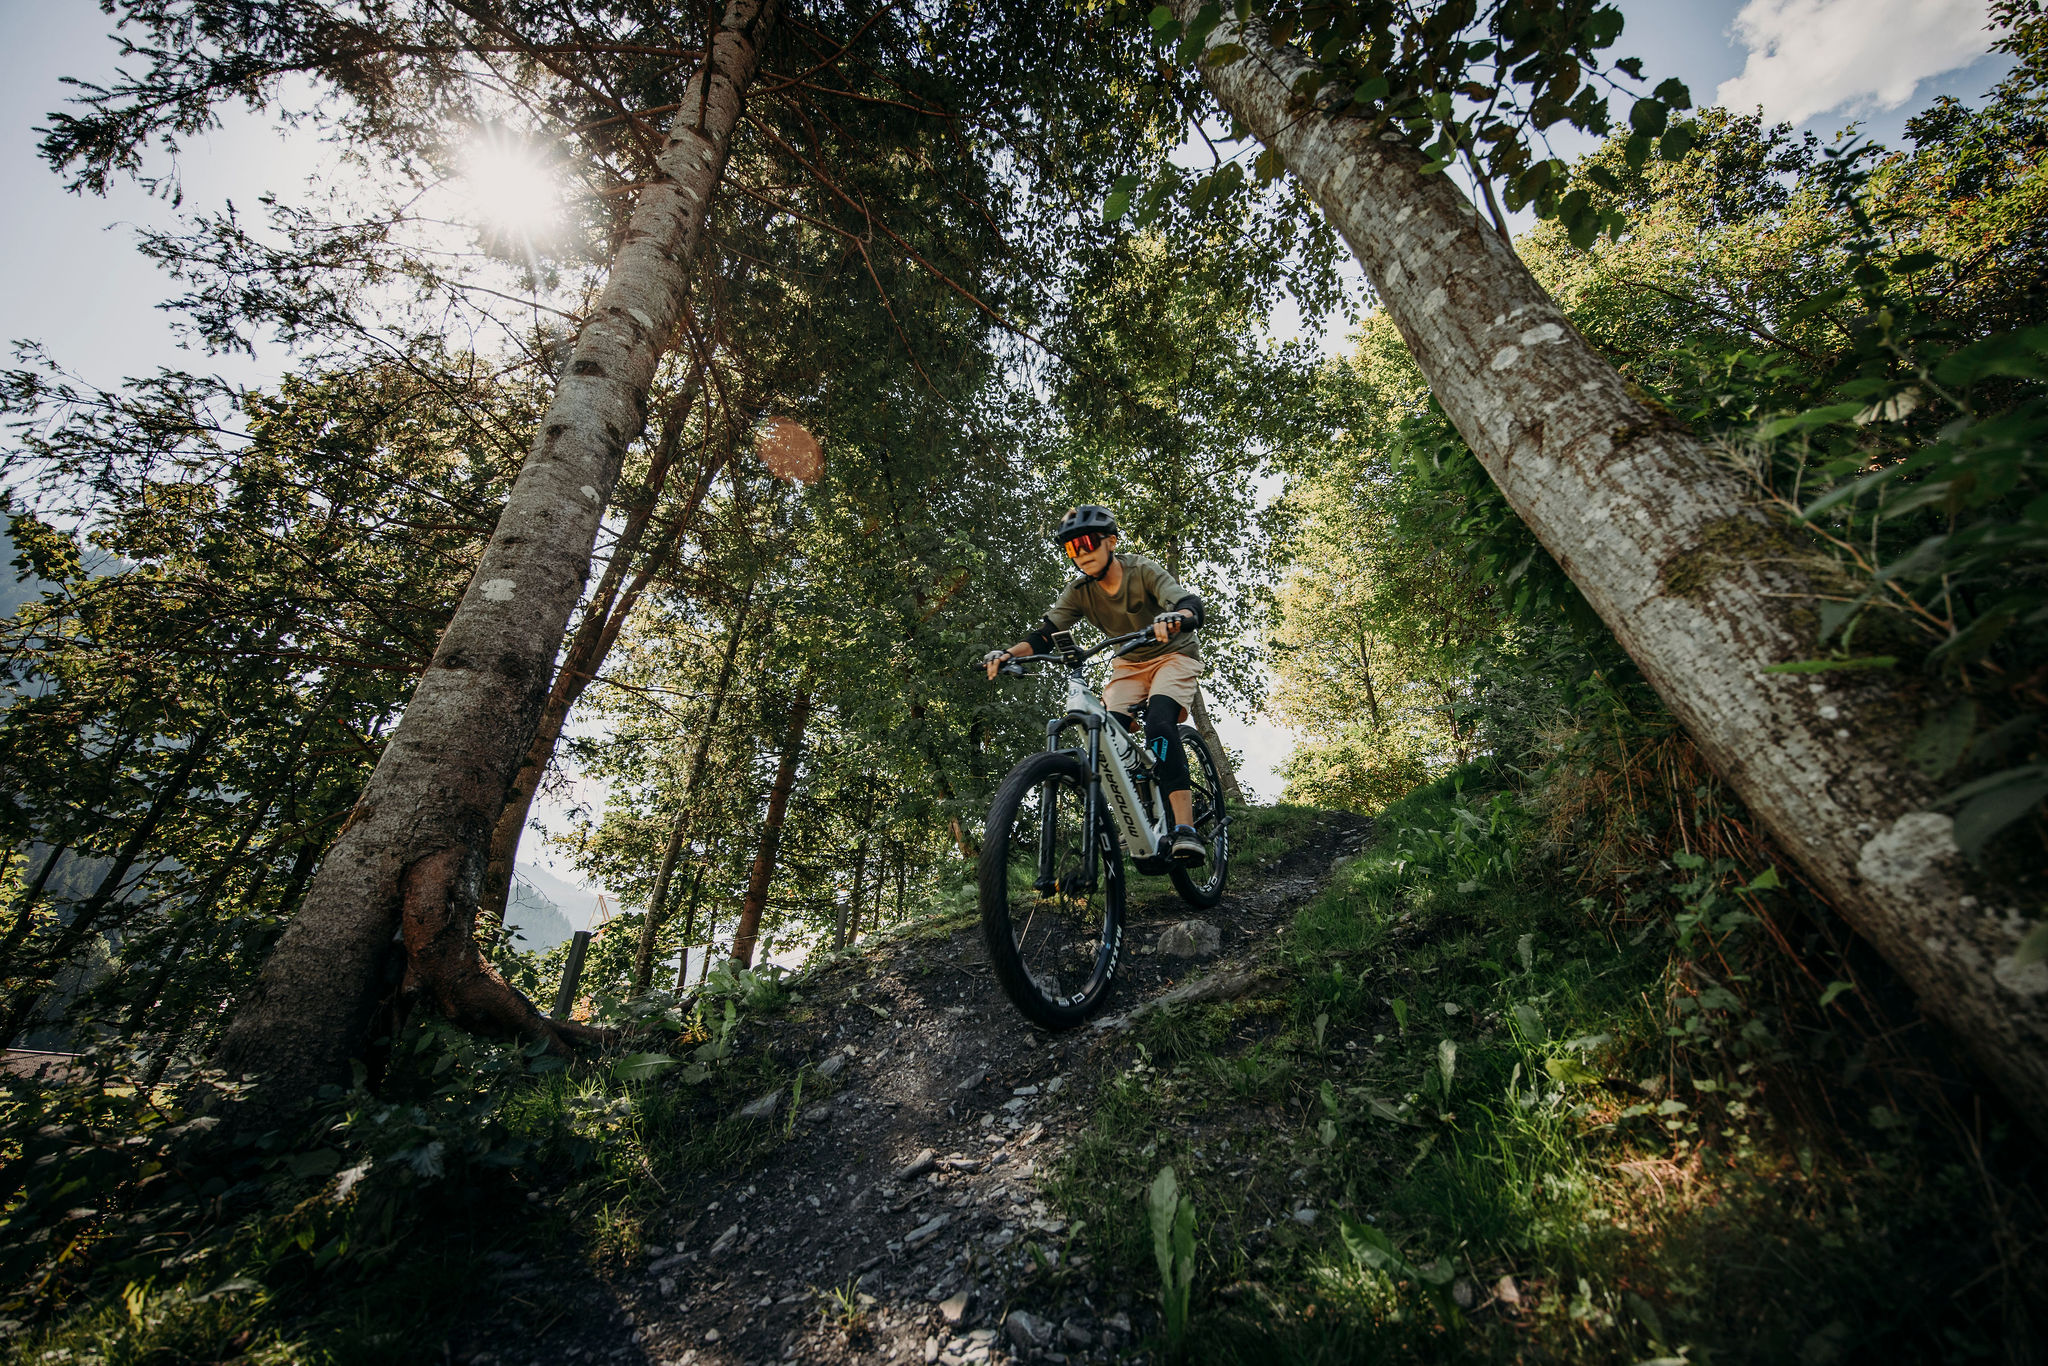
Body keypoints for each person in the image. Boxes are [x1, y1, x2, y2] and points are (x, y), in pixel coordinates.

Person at [984, 505, 1208, 864]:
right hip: (1129, 665)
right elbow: (1044, 635)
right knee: (1107, 740)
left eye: (1088, 542)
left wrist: (1178, 617)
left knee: (1161, 725)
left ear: (1111, 542)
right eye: (1072, 549)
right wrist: (1010, 654)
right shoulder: (1079, 591)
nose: (1082, 553)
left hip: (1173, 655)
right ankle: (1138, 816)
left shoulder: (1142, 571)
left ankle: (1185, 829)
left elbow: (1187, 603)